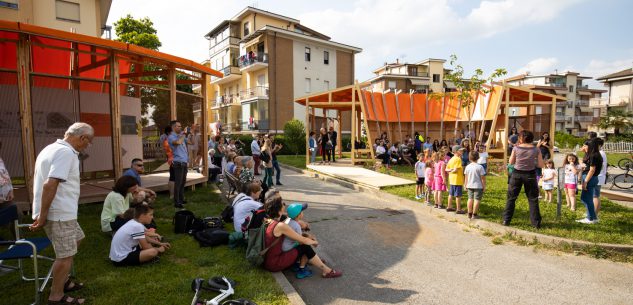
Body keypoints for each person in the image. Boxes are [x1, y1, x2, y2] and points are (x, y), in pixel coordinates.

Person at [30, 122, 94, 305]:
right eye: (88, 142)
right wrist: (43, 216)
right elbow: (49, 184)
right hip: (59, 213)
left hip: (61, 212)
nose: (87, 146)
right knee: (65, 256)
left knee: (78, 238)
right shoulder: (66, 153)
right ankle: (56, 296)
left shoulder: (51, 148)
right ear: (82, 138)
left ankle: (63, 280)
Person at [263, 195, 342, 278]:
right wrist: (314, 242)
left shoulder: (270, 220)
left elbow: (294, 234)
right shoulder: (280, 226)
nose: (284, 204)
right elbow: (303, 240)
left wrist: (306, 234)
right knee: (305, 246)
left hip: (271, 259)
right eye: (282, 204)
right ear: (279, 211)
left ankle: (313, 260)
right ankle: (326, 271)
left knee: (303, 245)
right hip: (275, 263)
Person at [503, 130, 544, 228]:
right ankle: (536, 223)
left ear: (521, 138)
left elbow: (511, 162)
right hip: (530, 174)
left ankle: (506, 220)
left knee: (511, 198)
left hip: (517, 174)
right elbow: (540, 164)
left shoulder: (516, 148)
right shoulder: (536, 149)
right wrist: (531, 162)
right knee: (533, 199)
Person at [578, 139, 602, 224]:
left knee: (586, 199)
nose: (583, 147)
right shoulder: (593, 154)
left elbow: (592, 170)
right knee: (586, 198)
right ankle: (593, 217)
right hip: (591, 178)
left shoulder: (593, 155)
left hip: (590, 178)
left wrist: (585, 182)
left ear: (590, 146)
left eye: (585, 145)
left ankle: (590, 218)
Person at [168, 120, 188, 209]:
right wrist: (183, 134)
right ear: (173, 127)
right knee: (178, 183)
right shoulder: (171, 137)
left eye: (180, 126)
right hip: (178, 162)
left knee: (183, 182)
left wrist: (188, 134)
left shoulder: (180, 136)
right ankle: (177, 202)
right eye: (178, 126)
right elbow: (178, 142)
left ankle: (181, 198)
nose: (180, 128)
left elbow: (190, 142)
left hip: (183, 162)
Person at [464, 151, 486, 219]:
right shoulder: (480, 167)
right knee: (477, 200)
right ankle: (474, 214)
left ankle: (469, 213)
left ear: (469, 158)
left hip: (469, 185)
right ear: (478, 158)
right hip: (478, 186)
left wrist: (465, 185)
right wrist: (484, 187)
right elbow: (483, 179)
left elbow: (466, 177)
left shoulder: (467, 167)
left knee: (470, 199)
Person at [446, 146, 466, 214]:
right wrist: (452, 171)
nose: (462, 152)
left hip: (452, 180)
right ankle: (458, 209)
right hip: (457, 180)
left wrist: (450, 171)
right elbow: (455, 170)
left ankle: (449, 207)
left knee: (451, 194)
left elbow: (446, 169)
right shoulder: (458, 159)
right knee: (458, 195)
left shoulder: (451, 159)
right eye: (461, 151)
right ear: (456, 151)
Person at [593, 137, 607, 216]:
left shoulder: (600, 153)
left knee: (595, 196)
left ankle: (594, 215)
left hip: (598, 176)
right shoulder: (601, 153)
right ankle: (594, 214)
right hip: (599, 176)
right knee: (595, 195)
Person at [161, 126, 175, 199]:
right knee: (173, 178)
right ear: (169, 132)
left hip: (170, 159)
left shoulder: (165, 140)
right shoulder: (169, 141)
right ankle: (172, 195)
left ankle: (172, 194)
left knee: (172, 177)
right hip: (174, 160)